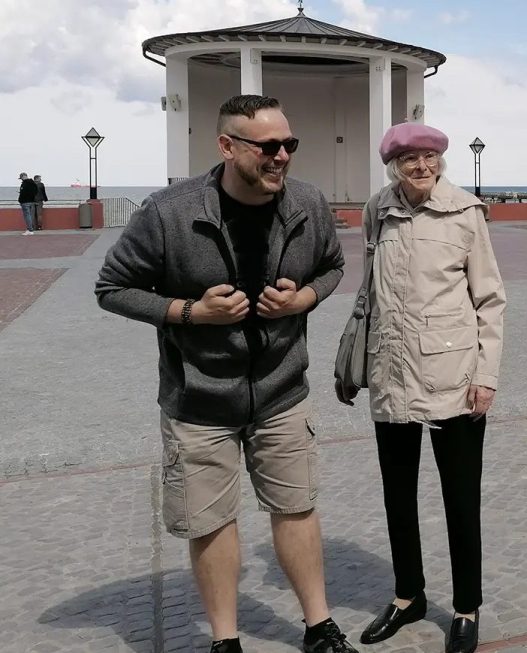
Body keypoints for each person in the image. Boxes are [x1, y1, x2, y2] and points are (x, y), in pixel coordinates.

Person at [96, 94, 357, 653]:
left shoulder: (307, 203)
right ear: (227, 146)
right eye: (268, 146)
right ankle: (226, 641)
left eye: (289, 144)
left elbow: (333, 266)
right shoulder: (168, 212)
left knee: (296, 507)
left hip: (283, 393)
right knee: (211, 520)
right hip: (199, 401)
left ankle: (319, 627)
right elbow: (112, 287)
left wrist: (304, 298)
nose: (281, 156)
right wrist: (192, 312)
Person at [335, 123, 506, 653]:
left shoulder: (466, 213)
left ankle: (466, 607)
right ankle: (407, 595)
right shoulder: (378, 210)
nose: (422, 166)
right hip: (391, 374)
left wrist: (486, 376)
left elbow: (490, 299)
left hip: (454, 378)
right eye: (410, 158)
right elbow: (370, 290)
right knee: (397, 495)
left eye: (430, 157)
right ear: (394, 165)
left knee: (461, 499)